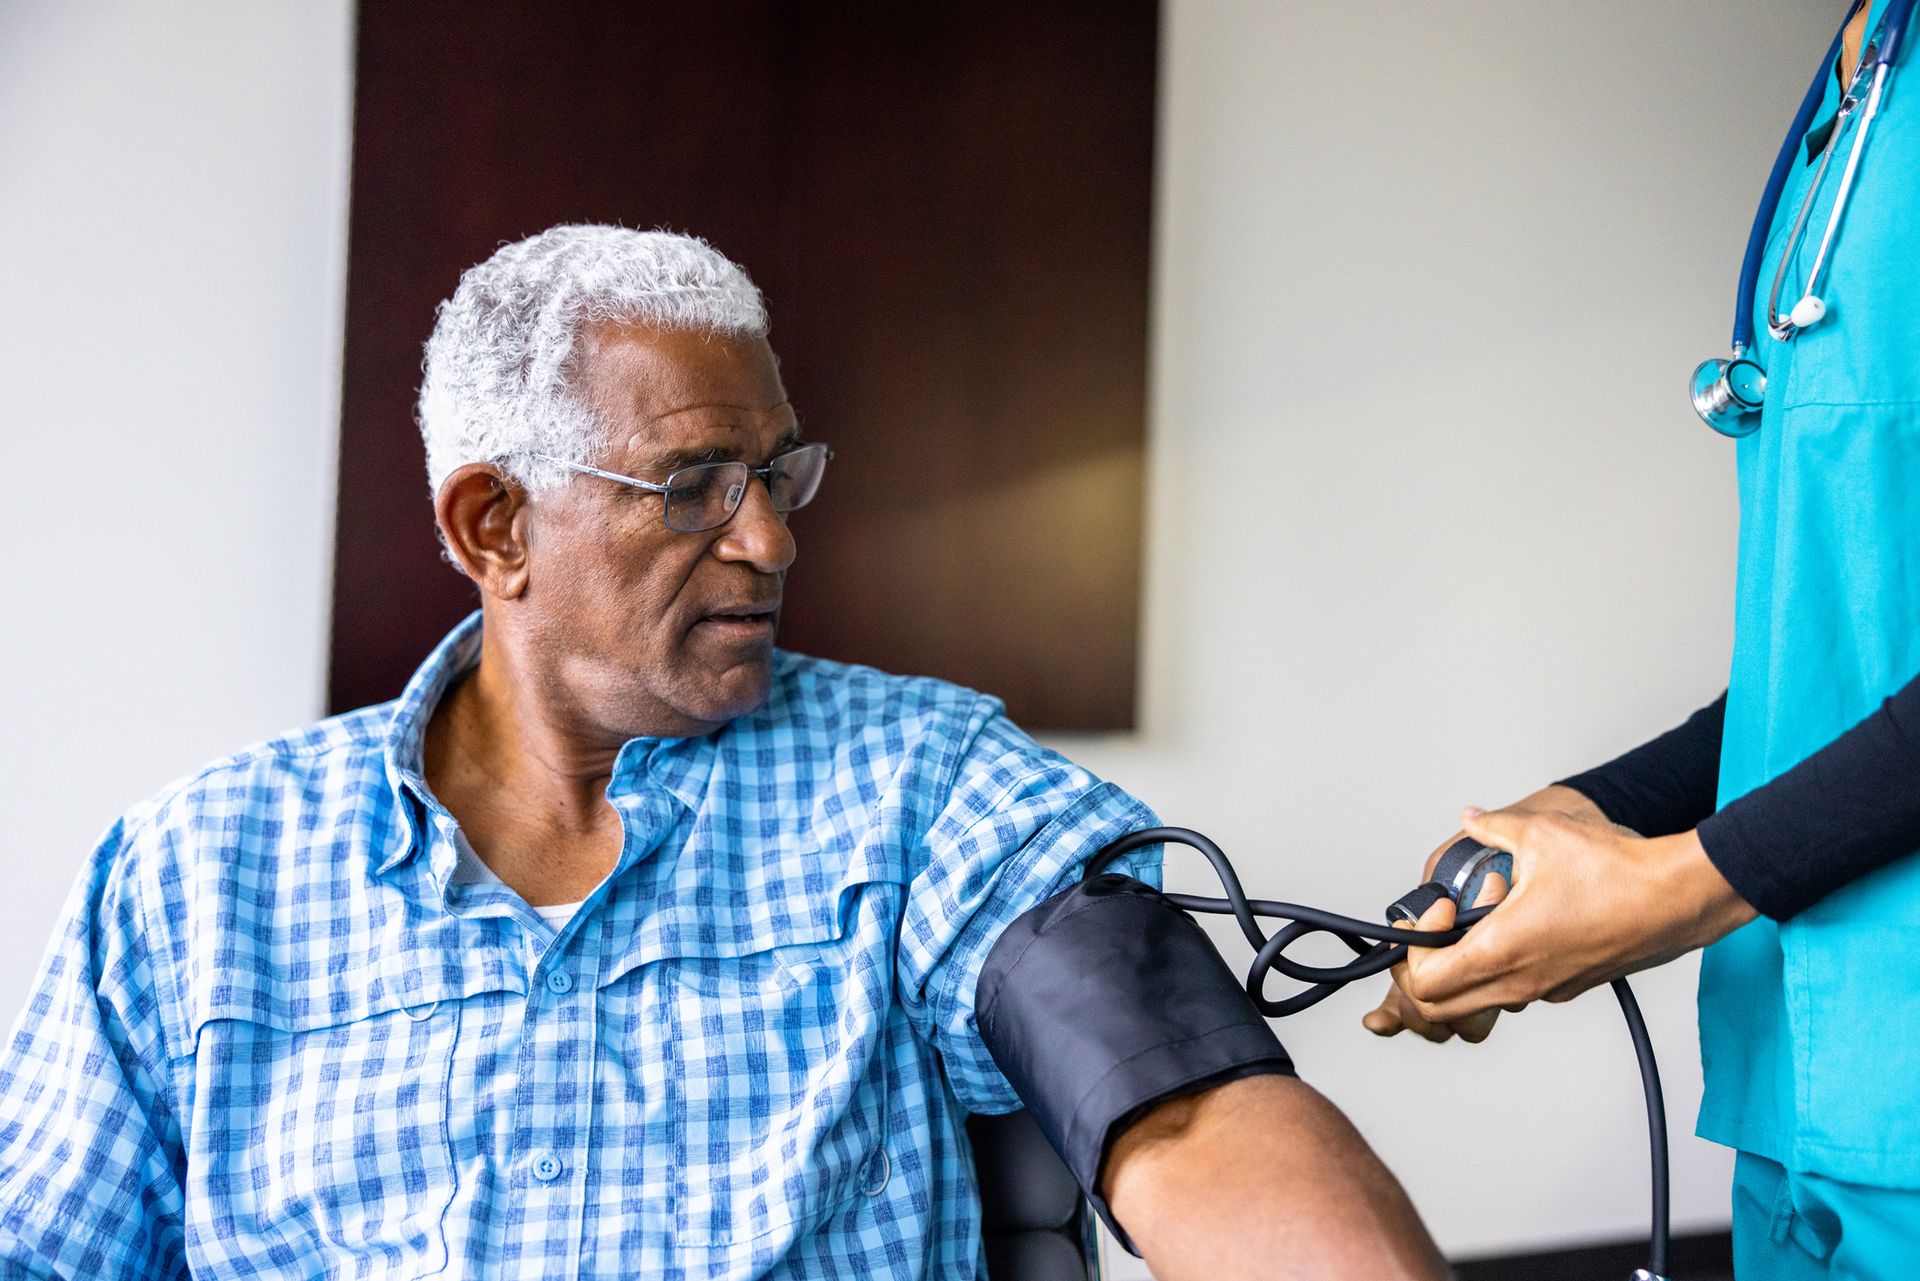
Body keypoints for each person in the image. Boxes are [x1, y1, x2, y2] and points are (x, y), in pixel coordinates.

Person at [0, 226, 1444, 1280]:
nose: (770, 538)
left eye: (777, 475)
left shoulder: (919, 786)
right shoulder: (194, 874)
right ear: (495, 527)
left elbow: (1181, 1098)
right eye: (695, 485)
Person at [1369, 2, 1920, 1275]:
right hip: (1807, 1090)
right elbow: (1850, 663)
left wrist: (1672, 889)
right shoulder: (1864, 83)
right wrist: (1585, 814)